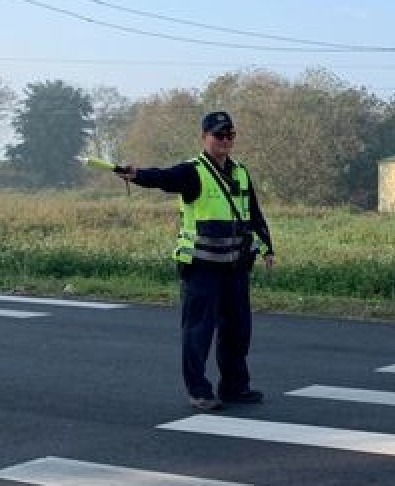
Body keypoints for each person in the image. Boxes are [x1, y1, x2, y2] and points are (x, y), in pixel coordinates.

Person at [115, 110, 275, 411]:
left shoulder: (240, 171)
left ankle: (235, 387)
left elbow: (253, 213)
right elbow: (164, 178)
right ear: (204, 138)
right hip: (202, 267)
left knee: (238, 330)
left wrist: (268, 248)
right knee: (199, 331)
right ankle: (199, 391)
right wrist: (137, 175)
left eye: (230, 135)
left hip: (235, 266)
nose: (225, 140)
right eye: (218, 135)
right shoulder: (193, 171)